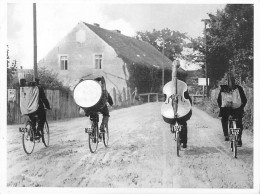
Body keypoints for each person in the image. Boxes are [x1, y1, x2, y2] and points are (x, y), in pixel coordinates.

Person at [217, 73, 247, 146]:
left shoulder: (223, 88)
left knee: (224, 119)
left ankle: (226, 135)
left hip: (226, 110)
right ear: (234, 81)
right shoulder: (239, 88)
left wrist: (221, 108)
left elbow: (219, 100)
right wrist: (241, 107)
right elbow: (244, 99)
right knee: (239, 121)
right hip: (237, 109)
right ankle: (239, 138)